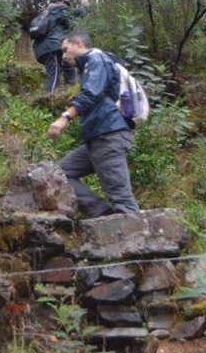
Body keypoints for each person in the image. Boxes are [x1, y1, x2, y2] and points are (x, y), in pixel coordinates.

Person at [46, 30, 139, 218]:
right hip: (97, 138)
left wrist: (65, 117)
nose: (64, 56)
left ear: (79, 43)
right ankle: (101, 212)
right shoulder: (89, 66)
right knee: (60, 174)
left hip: (109, 135)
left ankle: (140, 242)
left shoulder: (96, 59)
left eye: (65, 50)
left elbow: (90, 95)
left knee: (121, 199)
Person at [32, 0, 84, 92]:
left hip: (48, 47)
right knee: (54, 73)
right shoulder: (57, 10)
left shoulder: (46, 13)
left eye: (66, 3)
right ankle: (48, 99)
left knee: (70, 69)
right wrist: (84, 6)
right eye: (62, 2)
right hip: (52, 46)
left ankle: (70, 96)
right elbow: (79, 13)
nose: (64, 5)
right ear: (57, 3)